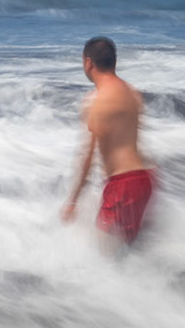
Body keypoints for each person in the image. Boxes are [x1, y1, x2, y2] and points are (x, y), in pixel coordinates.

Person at [62, 36, 154, 245]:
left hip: (123, 184)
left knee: (105, 256)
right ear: (114, 62)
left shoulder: (97, 102)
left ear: (88, 63)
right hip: (145, 180)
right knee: (130, 252)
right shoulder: (132, 93)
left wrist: (73, 201)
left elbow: (88, 158)